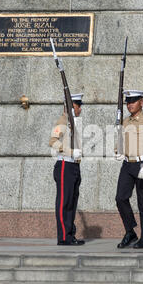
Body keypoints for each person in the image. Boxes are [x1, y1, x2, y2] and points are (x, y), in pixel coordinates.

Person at [114, 90, 143, 249]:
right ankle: (130, 231)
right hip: (127, 165)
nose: (130, 104)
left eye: (133, 101)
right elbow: (119, 142)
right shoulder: (125, 122)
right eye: (128, 102)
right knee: (120, 198)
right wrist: (118, 151)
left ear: (141, 102)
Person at [49, 93, 85, 245]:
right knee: (64, 203)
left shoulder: (74, 122)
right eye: (77, 106)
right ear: (71, 107)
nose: (80, 109)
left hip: (74, 166)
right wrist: (70, 152)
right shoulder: (63, 121)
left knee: (71, 202)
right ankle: (64, 237)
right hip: (65, 165)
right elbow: (52, 142)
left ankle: (69, 235)